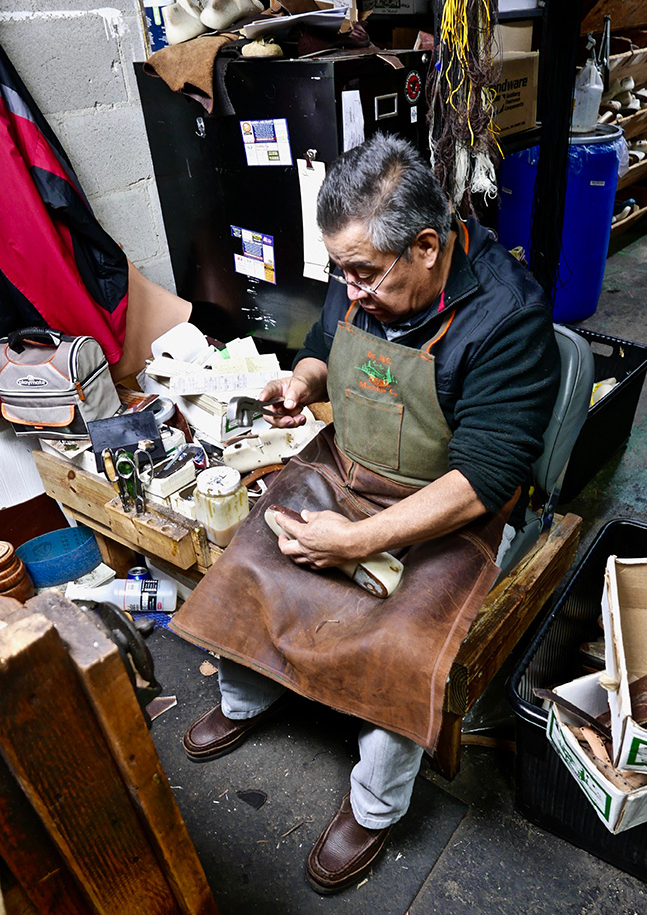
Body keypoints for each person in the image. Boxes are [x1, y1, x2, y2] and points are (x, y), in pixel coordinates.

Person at [171, 132, 560, 895]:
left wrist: (357, 540)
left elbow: (483, 479)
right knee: (255, 551)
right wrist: (304, 380)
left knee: (404, 641)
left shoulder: (509, 319)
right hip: (349, 468)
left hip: (449, 505)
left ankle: (376, 804)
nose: (349, 288)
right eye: (340, 271)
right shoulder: (360, 273)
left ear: (425, 245)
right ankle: (249, 695)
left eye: (363, 274)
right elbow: (324, 346)